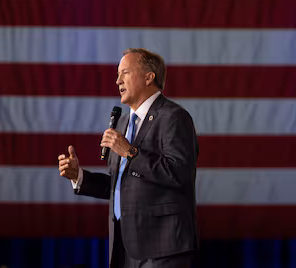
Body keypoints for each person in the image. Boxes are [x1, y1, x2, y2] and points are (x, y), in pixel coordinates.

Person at [58, 48, 199, 268]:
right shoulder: (123, 123)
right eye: (117, 75)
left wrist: (130, 152)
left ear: (149, 76)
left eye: (125, 73)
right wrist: (80, 177)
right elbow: (123, 185)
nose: (117, 81)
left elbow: (179, 175)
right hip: (125, 249)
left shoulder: (174, 117)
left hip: (163, 249)